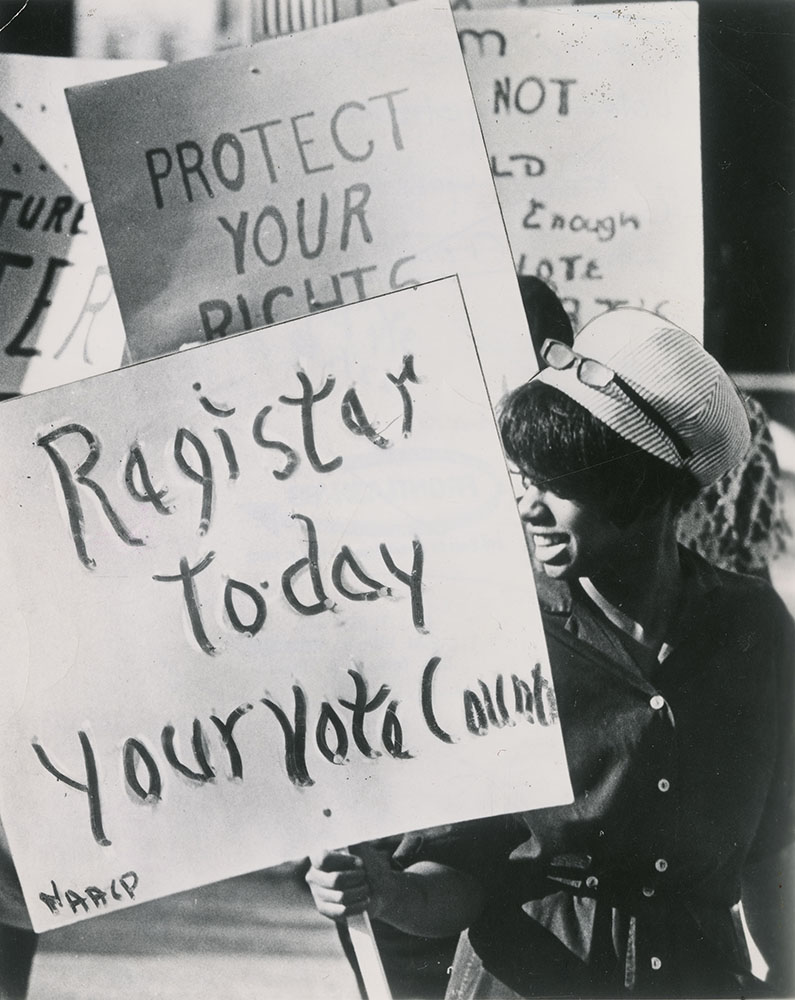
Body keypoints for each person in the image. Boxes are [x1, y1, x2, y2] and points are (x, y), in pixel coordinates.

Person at [306, 307, 795, 998]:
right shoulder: (494, 629)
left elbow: (773, 852)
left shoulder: (753, 629)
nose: (528, 507)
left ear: (643, 488)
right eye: (523, 479)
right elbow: (461, 872)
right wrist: (383, 893)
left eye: (557, 485)